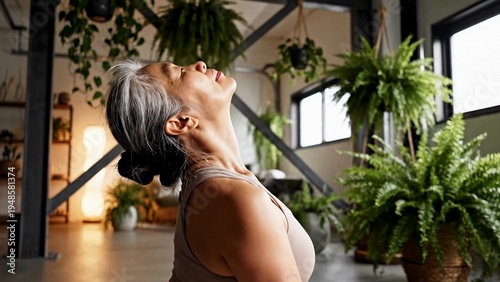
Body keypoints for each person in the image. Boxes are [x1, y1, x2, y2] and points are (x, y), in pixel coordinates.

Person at [105, 58, 315, 282]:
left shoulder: (213, 189)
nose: (200, 64)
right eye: (181, 73)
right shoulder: (235, 200)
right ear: (180, 122)